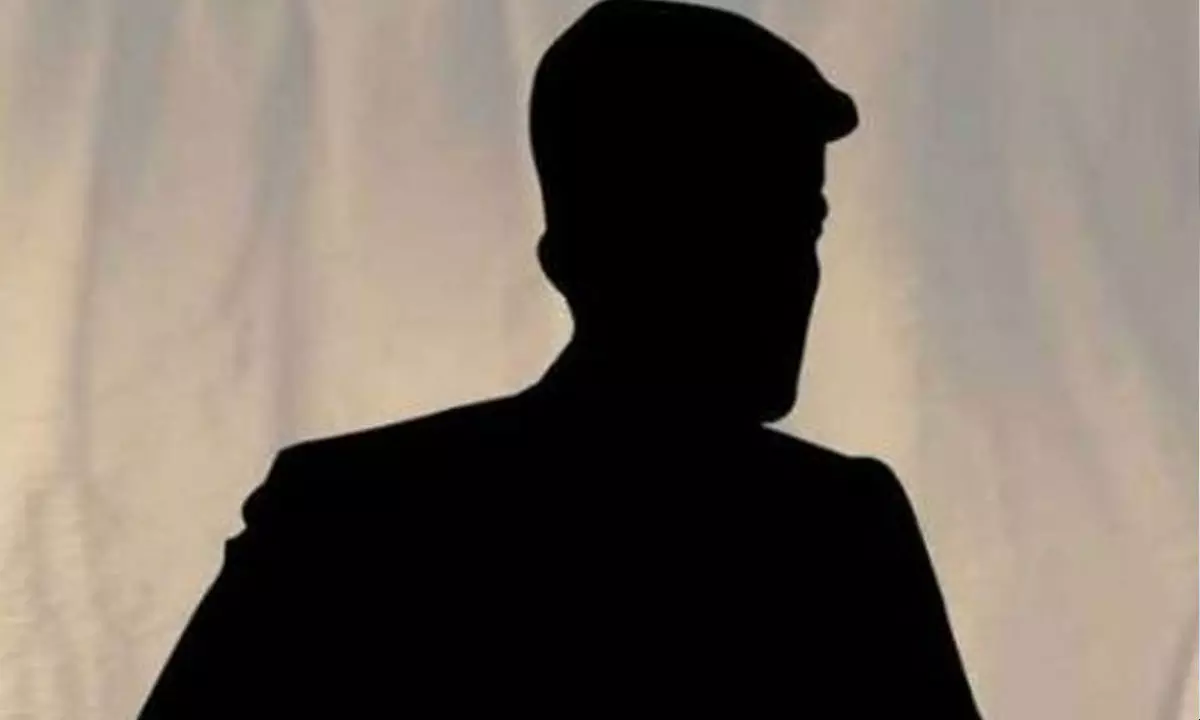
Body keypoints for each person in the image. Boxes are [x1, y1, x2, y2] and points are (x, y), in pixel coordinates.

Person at [139, 1, 982, 716]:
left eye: (799, 226)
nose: (790, 273)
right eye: (732, 225)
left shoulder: (340, 513)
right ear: (580, 254)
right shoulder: (837, 534)